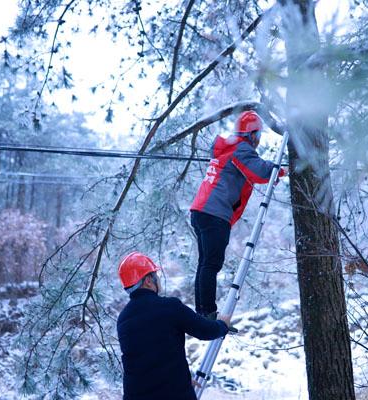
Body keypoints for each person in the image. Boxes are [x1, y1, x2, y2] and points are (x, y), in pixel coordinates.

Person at [190, 110, 286, 318]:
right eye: (258, 135)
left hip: (201, 211)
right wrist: (281, 170)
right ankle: (207, 313)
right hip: (214, 213)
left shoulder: (230, 148)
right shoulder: (241, 149)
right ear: (251, 134)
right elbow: (261, 171)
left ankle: (202, 311)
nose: (258, 140)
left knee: (205, 263)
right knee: (211, 264)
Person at [116, 251, 231, 400]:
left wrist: (182, 378)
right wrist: (222, 324)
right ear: (148, 281)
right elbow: (206, 331)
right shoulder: (169, 307)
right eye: (155, 275)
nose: (158, 279)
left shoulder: (123, 320)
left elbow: (146, 358)